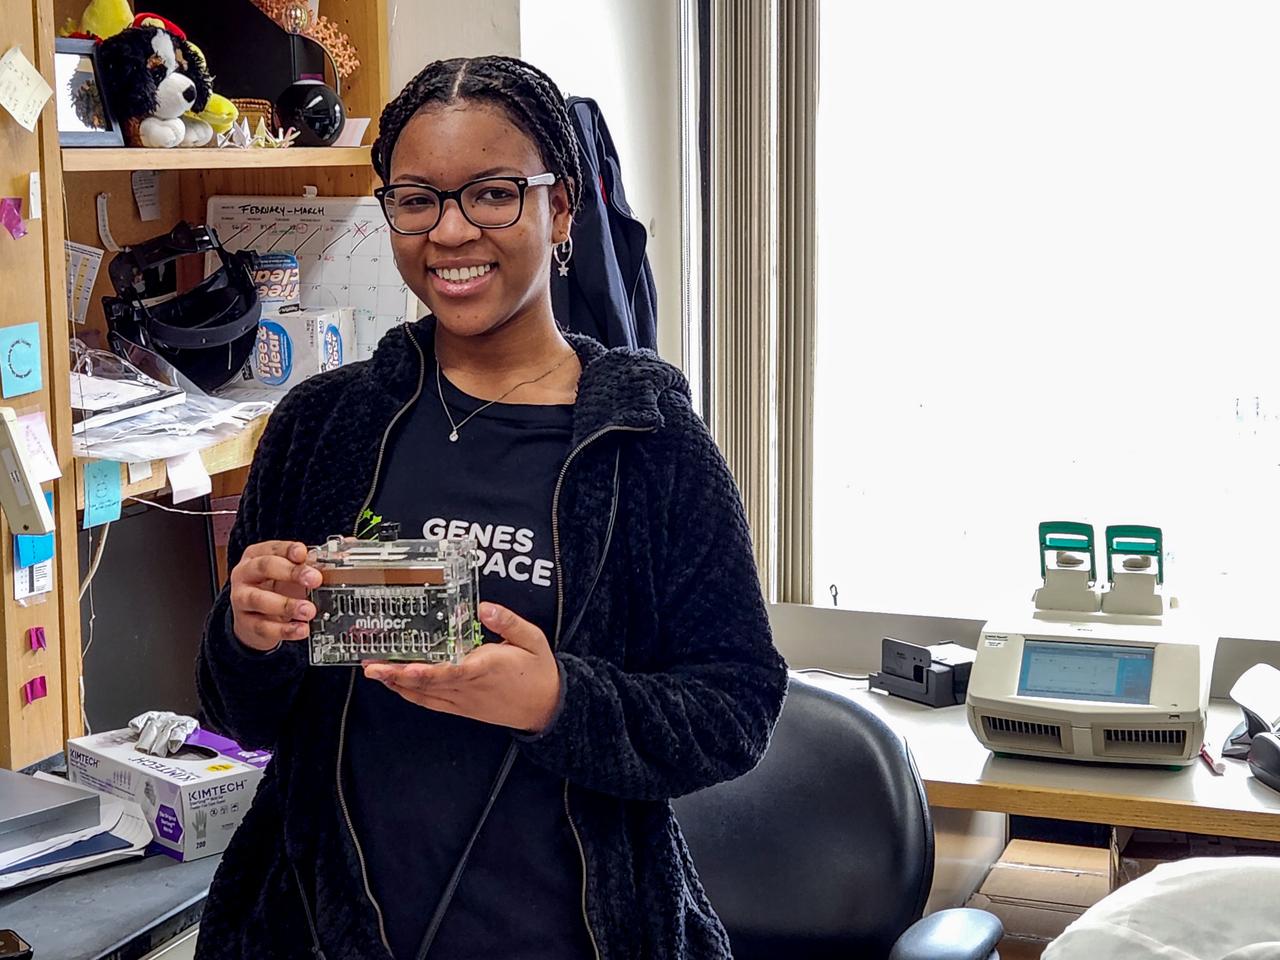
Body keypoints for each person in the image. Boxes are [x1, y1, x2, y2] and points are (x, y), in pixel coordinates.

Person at [194, 55, 786, 960]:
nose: (451, 231)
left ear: (561, 208)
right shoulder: (325, 424)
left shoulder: (648, 443)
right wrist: (250, 632)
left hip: (573, 933)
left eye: (493, 194)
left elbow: (736, 708)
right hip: (322, 927)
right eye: (417, 199)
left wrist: (556, 698)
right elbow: (247, 714)